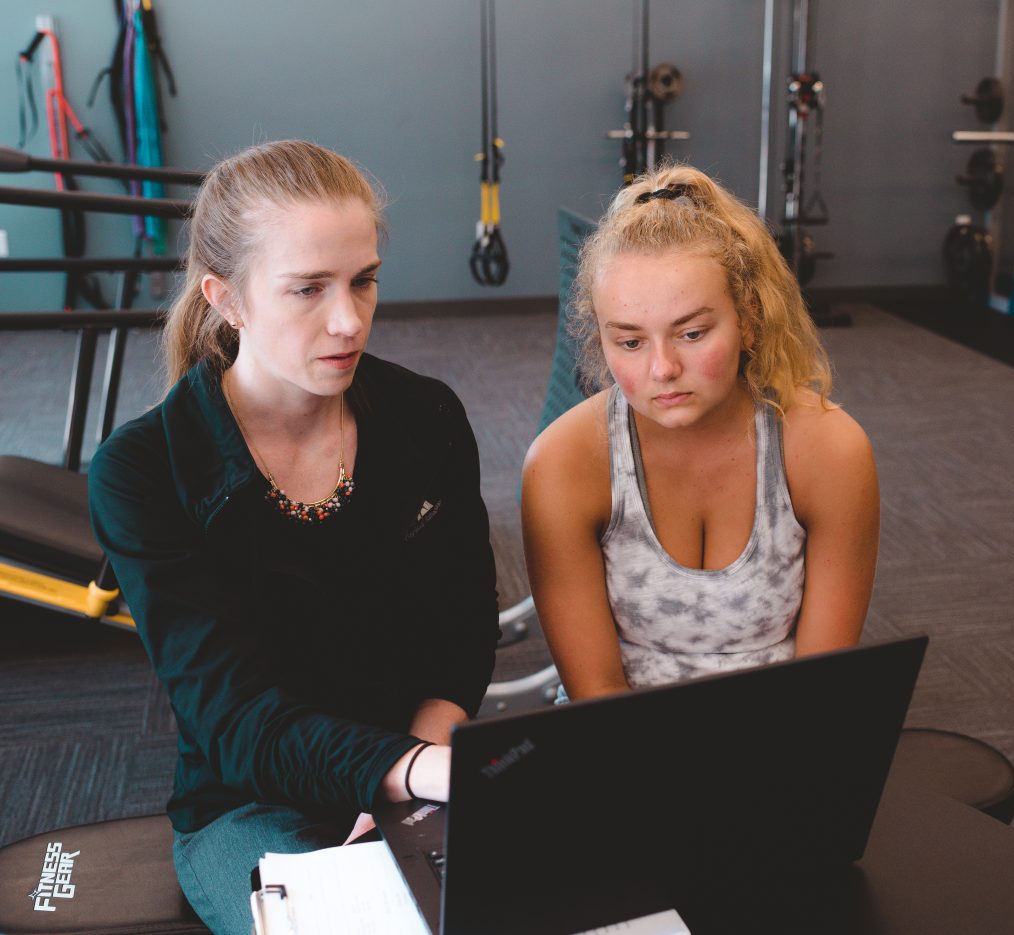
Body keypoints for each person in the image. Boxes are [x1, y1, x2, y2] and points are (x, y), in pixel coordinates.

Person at [87, 140, 498, 935]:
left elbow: (464, 627)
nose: (349, 319)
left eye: (364, 280)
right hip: (251, 798)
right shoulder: (142, 471)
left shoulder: (426, 417)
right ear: (226, 298)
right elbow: (238, 720)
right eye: (307, 289)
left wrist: (411, 781)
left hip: (418, 754)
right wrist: (404, 774)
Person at [521, 164, 878, 700]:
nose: (662, 369)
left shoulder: (828, 450)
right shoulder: (564, 462)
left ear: (750, 319)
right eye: (631, 342)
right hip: (619, 748)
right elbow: (596, 691)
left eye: (691, 333)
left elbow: (819, 689)